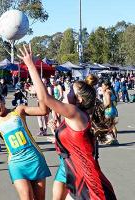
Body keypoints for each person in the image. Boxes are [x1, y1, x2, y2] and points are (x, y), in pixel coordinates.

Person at [18, 44, 117, 200]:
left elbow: (44, 98)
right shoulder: (75, 117)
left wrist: (30, 65)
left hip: (91, 186)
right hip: (79, 181)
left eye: (71, 90)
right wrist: (57, 131)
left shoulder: (75, 113)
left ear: (79, 99)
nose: (67, 91)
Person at [102, 79, 119, 145]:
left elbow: (108, 102)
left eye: (103, 85)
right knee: (112, 125)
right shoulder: (111, 91)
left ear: (107, 86)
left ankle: (109, 139)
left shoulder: (107, 92)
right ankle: (115, 139)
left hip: (108, 110)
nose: (102, 86)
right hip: (113, 109)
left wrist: (102, 107)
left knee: (106, 125)